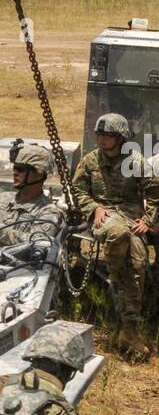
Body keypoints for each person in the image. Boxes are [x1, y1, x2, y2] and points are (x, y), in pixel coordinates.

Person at [71, 113, 159, 357]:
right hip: (105, 217)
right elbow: (78, 191)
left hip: (131, 218)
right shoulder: (90, 161)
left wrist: (149, 220)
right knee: (118, 233)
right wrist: (94, 208)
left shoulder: (135, 160)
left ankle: (128, 328)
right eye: (99, 134)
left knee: (138, 261)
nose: (101, 139)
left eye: (107, 135)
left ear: (120, 138)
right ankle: (117, 288)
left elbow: (154, 191)